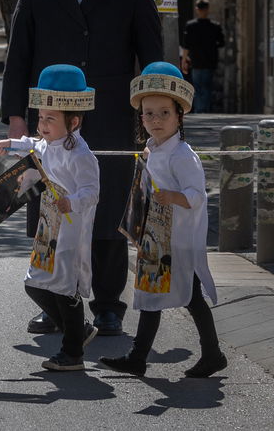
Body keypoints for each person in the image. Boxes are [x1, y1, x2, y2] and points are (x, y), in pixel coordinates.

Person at [0, 0, 163, 337]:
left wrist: (159, 124)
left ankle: (108, 305)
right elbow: (19, 57)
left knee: (107, 208)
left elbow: (151, 61)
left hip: (111, 120)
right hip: (49, 124)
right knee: (50, 208)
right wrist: (17, 119)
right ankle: (56, 302)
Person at [100, 63, 227, 378]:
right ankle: (139, 357)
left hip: (179, 240)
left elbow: (197, 195)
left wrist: (172, 197)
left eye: (164, 113)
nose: (155, 121)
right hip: (156, 238)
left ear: (179, 115)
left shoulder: (183, 155)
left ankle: (211, 354)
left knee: (189, 296)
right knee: (151, 294)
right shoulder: (152, 150)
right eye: (148, 114)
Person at [0, 63, 101, 371]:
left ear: (74, 121)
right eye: (41, 117)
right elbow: (33, 144)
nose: (44, 125)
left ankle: (72, 351)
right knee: (35, 283)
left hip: (71, 231)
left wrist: (72, 201)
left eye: (51, 119)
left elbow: (92, 193)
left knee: (65, 287)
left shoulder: (82, 155)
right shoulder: (48, 143)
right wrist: (9, 142)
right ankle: (78, 331)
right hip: (48, 227)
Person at [180, 0, 225, 113]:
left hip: (196, 61)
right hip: (210, 61)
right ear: (207, 9)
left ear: (197, 9)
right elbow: (222, 43)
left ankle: (200, 110)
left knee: (198, 87)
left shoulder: (191, 26)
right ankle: (205, 109)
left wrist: (184, 60)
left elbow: (186, 45)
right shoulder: (215, 26)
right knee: (207, 86)